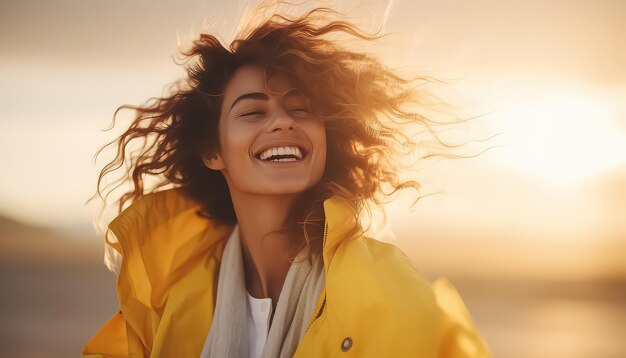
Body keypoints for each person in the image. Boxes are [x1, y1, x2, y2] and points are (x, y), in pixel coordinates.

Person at [83, 4, 491, 358]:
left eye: (301, 110)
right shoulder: (168, 303)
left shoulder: (387, 289)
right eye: (253, 112)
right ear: (213, 152)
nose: (282, 122)